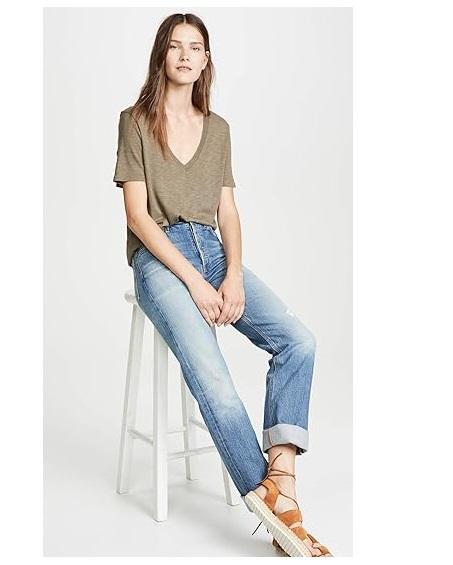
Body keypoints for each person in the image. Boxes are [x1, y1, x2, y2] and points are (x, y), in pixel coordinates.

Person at [112, 12, 332, 558]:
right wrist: (195, 283)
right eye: (176, 46)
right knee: (214, 376)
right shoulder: (134, 121)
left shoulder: (218, 129)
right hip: (159, 260)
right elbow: (137, 216)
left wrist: (232, 275)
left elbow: (227, 211)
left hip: (213, 251)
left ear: (206, 59)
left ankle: (282, 480)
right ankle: (274, 508)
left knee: (298, 341)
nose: (186, 55)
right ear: (162, 54)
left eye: (196, 47)